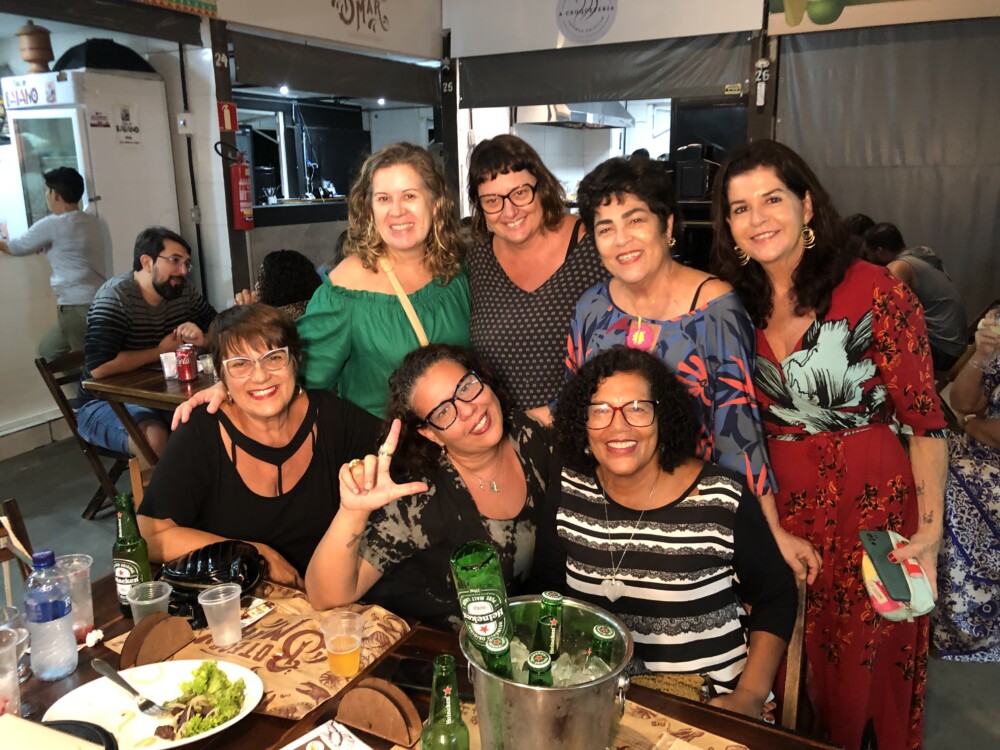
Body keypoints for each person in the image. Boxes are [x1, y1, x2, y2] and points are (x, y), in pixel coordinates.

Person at [710, 139, 948, 750]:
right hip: (775, 507)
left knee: (866, 664)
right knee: (783, 655)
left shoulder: (875, 291)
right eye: (740, 208)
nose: (758, 219)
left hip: (871, 504)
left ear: (807, 205)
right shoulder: (730, 306)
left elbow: (926, 424)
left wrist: (929, 534)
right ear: (728, 225)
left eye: (772, 199)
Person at [567, 156, 819, 583]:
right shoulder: (591, 307)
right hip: (608, 505)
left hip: (693, 512)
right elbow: (578, 413)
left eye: (635, 220)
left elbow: (739, 433)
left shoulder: (715, 308)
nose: (622, 240)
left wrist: (766, 531)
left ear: (667, 225)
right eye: (605, 228)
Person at [537, 347, 796, 719]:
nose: (618, 426)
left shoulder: (720, 497)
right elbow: (549, 590)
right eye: (600, 410)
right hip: (595, 697)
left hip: (707, 704)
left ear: (663, 417)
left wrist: (750, 697)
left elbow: (776, 597)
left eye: (637, 408)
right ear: (583, 423)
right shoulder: (569, 486)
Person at [177, 143, 470, 421]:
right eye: (384, 199)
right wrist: (232, 388)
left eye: (409, 196)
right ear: (369, 210)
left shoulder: (456, 268)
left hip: (464, 437)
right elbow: (299, 368)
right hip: (389, 448)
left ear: (435, 203)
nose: (397, 211)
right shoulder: (349, 286)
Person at [305, 344, 550, 630]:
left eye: (466, 387)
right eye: (444, 411)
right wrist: (352, 512)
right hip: (434, 647)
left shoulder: (528, 434)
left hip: (518, 637)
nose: (469, 409)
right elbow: (325, 596)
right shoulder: (418, 497)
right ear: (429, 433)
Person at [137, 304, 381, 587]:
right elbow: (150, 535)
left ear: (296, 361)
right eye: (240, 364)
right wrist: (253, 553)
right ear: (221, 375)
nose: (260, 376)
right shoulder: (201, 431)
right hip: (238, 604)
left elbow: (404, 451)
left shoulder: (331, 417)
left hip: (332, 598)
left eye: (274, 358)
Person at [466, 134, 608, 416]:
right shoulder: (477, 258)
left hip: (583, 426)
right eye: (492, 200)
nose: (509, 211)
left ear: (541, 187)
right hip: (504, 432)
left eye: (520, 193)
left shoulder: (593, 247)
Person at [76, 226, 216, 458]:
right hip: (103, 402)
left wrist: (205, 338)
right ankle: (157, 485)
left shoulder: (183, 291)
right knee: (153, 437)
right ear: (147, 262)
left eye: (186, 264)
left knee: (211, 420)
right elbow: (99, 367)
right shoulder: (115, 297)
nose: (183, 271)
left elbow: (218, 326)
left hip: (157, 396)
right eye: (175, 260)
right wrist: (160, 351)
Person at [934, 305, 1000, 660]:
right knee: (916, 457)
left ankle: (968, 625)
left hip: (983, 456)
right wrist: (982, 355)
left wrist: (973, 425)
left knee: (951, 480)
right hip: (980, 448)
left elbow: (971, 419)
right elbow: (962, 402)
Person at [0, 167, 108, 360]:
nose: (46, 196)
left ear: (55, 194)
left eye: (46, 191)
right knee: (48, 351)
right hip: (97, 300)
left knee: (88, 364)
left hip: (75, 306)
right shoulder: (93, 221)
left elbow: (16, 247)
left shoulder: (53, 224)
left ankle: (87, 381)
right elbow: (70, 246)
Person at [862, 222, 967, 370]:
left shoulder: (899, 267)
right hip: (956, 345)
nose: (866, 258)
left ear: (879, 251)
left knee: (869, 349)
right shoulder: (920, 257)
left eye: (868, 254)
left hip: (942, 351)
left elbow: (887, 314)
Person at [234, 249, 322, 320]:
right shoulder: (319, 308)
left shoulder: (278, 326)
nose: (256, 286)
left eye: (262, 279)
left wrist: (246, 320)